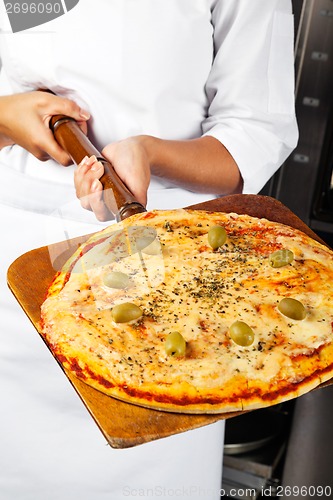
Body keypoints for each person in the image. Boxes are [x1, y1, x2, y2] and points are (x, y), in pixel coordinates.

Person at [0, 1, 298, 499]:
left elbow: (255, 131)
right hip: (17, 260)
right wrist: (5, 119)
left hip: (170, 270)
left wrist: (151, 153)